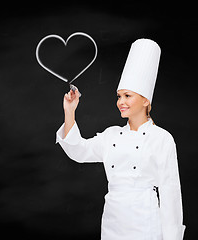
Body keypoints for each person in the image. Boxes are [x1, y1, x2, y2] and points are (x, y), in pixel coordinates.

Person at [56, 39, 186, 240]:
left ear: (145, 100)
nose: (121, 102)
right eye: (119, 96)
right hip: (113, 223)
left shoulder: (162, 139)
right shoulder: (111, 135)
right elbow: (78, 151)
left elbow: (170, 194)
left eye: (127, 96)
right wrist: (70, 111)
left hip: (145, 223)